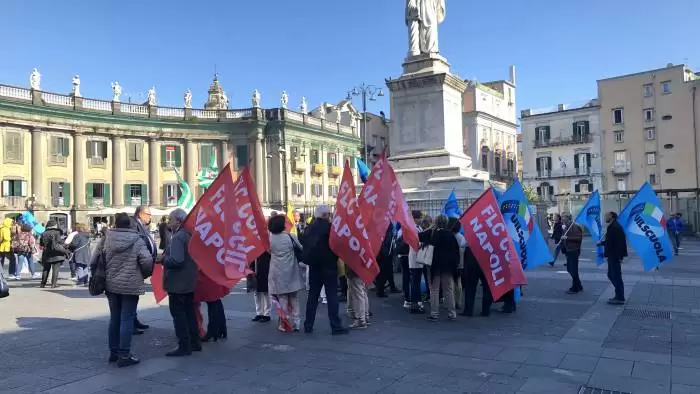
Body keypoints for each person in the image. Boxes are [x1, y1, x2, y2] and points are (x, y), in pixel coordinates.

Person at [96, 212, 153, 367]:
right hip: (131, 284)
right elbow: (147, 261)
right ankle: (124, 354)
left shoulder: (106, 238)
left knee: (114, 318)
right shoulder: (137, 240)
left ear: (115, 224)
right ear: (129, 224)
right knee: (126, 318)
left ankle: (113, 352)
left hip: (111, 284)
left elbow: (95, 259)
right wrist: (144, 274)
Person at [159, 208, 200, 357]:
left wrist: (163, 259)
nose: (168, 222)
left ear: (178, 221)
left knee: (178, 315)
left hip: (178, 282)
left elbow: (177, 260)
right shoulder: (190, 234)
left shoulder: (178, 237)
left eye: (170, 220)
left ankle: (184, 345)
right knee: (189, 313)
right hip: (189, 280)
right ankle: (195, 342)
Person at [302, 205, 348, 335]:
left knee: (312, 297)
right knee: (332, 296)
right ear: (324, 215)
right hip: (329, 267)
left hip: (314, 267)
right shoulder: (330, 229)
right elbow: (338, 246)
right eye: (329, 214)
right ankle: (335, 326)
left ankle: (308, 325)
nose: (330, 216)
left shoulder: (308, 228)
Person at [267, 214, 305, 332]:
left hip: (277, 272)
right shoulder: (291, 236)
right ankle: (296, 323)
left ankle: (285, 323)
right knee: (294, 297)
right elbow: (301, 248)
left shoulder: (269, 238)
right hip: (292, 270)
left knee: (282, 298)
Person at [419, 214, 460, 321]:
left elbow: (419, 236)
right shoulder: (450, 235)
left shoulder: (432, 233)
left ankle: (434, 314)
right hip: (448, 267)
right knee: (448, 289)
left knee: (434, 290)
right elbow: (456, 252)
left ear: (435, 223)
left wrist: (430, 228)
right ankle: (452, 313)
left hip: (434, 266)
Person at [131, 205, 156, 334]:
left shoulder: (141, 225)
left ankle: (134, 320)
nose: (150, 217)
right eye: (148, 214)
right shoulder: (134, 225)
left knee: (135, 297)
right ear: (140, 214)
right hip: (134, 267)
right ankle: (131, 323)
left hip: (139, 267)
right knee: (131, 297)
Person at [600, 211, 628, 305]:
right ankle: (618, 295)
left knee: (615, 276)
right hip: (611, 255)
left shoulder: (616, 227)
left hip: (615, 256)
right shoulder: (612, 226)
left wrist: (620, 256)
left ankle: (620, 297)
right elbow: (611, 241)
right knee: (611, 275)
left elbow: (621, 242)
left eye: (606, 215)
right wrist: (602, 243)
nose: (605, 217)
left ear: (611, 216)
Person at [461, 243, 493, 317]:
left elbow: (463, 244)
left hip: (472, 260)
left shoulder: (472, 232)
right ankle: (486, 310)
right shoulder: (491, 233)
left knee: (470, 288)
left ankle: (468, 310)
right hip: (487, 260)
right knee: (487, 287)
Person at [39, 220, 68, 288]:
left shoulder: (44, 233)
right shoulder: (58, 232)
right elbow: (60, 242)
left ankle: (43, 284)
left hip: (47, 252)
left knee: (46, 269)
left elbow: (41, 244)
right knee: (56, 268)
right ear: (54, 225)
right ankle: (53, 284)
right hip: (56, 252)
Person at [561, 213, 584, 294]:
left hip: (573, 250)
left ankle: (575, 288)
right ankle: (578, 285)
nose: (562, 218)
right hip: (569, 250)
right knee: (570, 269)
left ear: (569, 218)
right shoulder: (566, 226)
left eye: (564, 217)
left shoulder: (573, 226)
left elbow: (578, 238)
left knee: (573, 269)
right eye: (562, 217)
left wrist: (567, 238)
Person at [449, 218, 467, 311]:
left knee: (450, 282)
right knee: (458, 282)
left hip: (449, 262)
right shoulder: (461, 237)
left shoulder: (448, 236)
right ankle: (458, 301)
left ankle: (451, 301)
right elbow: (464, 249)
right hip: (459, 263)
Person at [375, 224, 397, 298]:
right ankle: (380, 290)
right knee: (384, 272)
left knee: (381, 272)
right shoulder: (388, 233)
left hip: (379, 254)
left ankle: (380, 289)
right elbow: (387, 244)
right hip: (385, 255)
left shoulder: (379, 231)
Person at [250, 251, 271, 323]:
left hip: (264, 267)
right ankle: (259, 313)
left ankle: (266, 314)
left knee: (265, 291)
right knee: (256, 292)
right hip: (254, 266)